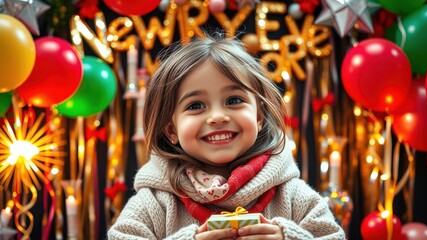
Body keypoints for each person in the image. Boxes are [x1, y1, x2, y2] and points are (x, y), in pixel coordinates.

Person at [107, 34, 345, 240]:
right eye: (196, 105)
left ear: (259, 116)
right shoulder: (156, 202)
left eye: (233, 101)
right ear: (171, 130)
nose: (218, 117)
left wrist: (290, 236)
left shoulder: (292, 194)